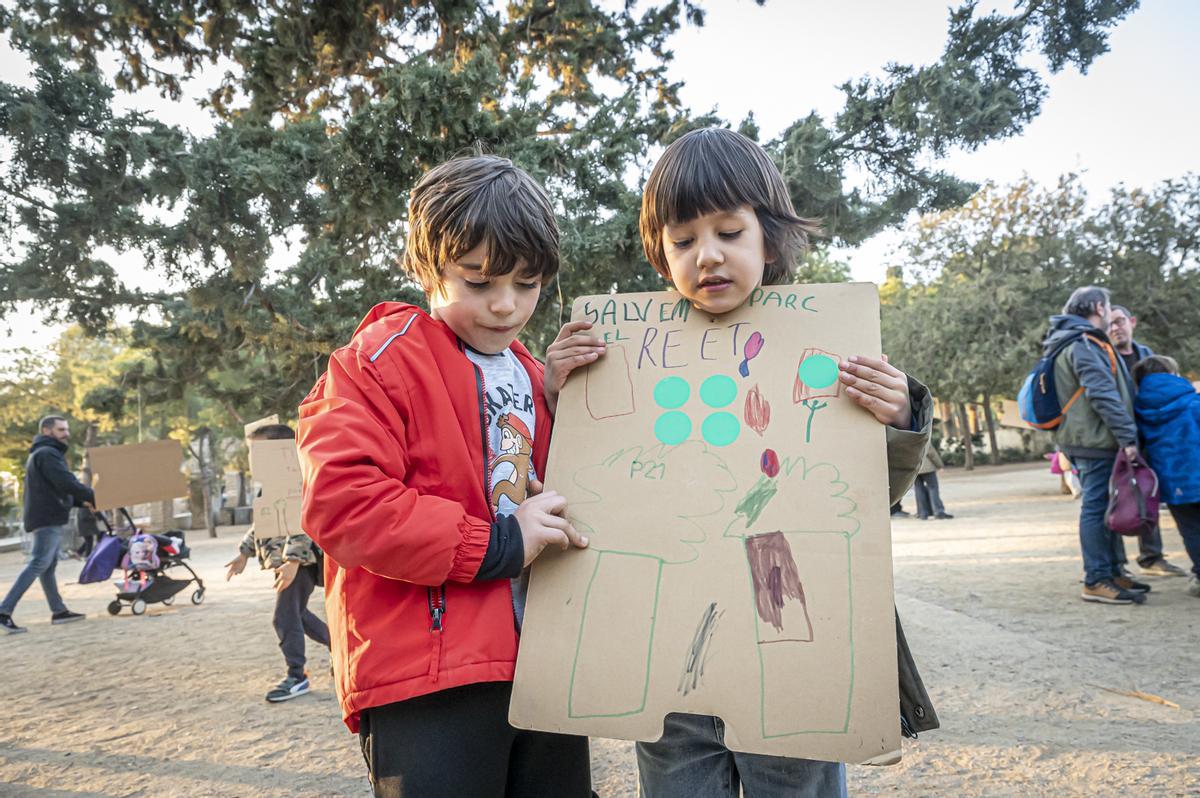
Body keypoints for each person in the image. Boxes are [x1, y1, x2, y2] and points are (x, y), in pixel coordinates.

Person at [548, 127, 933, 798]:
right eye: (684, 240)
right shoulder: (625, 351)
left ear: (770, 238)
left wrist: (899, 417)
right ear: (659, 252)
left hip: (782, 623)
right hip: (670, 633)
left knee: (795, 779)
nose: (708, 256)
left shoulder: (829, 344)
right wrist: (562, 394)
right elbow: (586, 481)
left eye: (729, 231)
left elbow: (865, 495)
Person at [297, 155, 592, 797]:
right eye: (479, 281)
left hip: (542, 657)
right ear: (428, 267)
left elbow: (564, 497)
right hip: (429, 676)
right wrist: (499, 543)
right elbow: (344, 502)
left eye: (528, 283)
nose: (506, 306)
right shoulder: (374, 363)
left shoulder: (531, 373)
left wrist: (572, 406)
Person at [1042, 287, 1149, 605]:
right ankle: (1096, 578)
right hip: (1093, 439)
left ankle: (1114, 571)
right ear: (1099, 308)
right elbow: (1102, 394)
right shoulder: (1083, 342)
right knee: (1096, 507)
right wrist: (1128, 436)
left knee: (1108, 507)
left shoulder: (1072, 339)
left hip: (1090, 436)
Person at [225, 423, 331, 703]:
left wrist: (293, 561)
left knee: (284, 617)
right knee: (298, 614)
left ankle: (297, 676)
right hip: (285, 563)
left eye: (258, 452)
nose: (252, 459)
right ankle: (339, 645)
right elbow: (263, 521)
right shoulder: (270, 487)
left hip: (302, 561)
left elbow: (302, 523)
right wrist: (243, 553)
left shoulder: (297, 482)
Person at [1108, 304, 1186, 577]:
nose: (1115, 328)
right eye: (1109, 324)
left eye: (1119, 321)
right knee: (1115, 499)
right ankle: (1117, 565)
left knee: (1150, 495)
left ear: (1132, 322)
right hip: (1119, 438)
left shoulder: (1147, 356)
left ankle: (1152, 557)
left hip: (1150, 436)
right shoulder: (1105, 358)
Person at [0, 416, 93, 633]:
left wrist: (83, 501)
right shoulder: (48, 454)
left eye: (66, 429)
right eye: (61, 429)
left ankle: (58, 611)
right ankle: (3, 611)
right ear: (46, 431)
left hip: (46, 515)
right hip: (47, 518)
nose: (66, 433)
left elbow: (57, 489)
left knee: (48, 567)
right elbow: (66, 483)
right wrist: (93, 496)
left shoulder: (42, 454)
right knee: (39, 563)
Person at [1131, 356, 1200, 598]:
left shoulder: (1140, 412)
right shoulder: (1193, 402)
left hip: (1174, 484)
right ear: (1173, 375)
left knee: (1191, 529)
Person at [914, 445, 953, 520]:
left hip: (914, 469)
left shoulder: (906, 437)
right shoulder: (921, 434)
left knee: (918, 490)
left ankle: (922, 513)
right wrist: (939, 465)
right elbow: (930, 452)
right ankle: (938, 512)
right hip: (927, 467)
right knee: (933, 488)